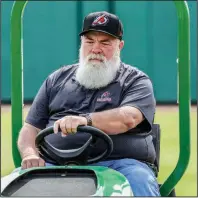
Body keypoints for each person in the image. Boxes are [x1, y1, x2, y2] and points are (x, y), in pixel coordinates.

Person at [17, 11, 160, 196]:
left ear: (120, 46)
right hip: (54, 164)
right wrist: (30, 154)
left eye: (105, 42)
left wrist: (85, 121)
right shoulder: (56, 79)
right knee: (12, 185)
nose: (96, 49)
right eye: (90, 41)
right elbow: (30, 128)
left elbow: (129, 118)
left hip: (121, 164)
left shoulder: (135, 81)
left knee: (140, 181)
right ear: (82, 44)